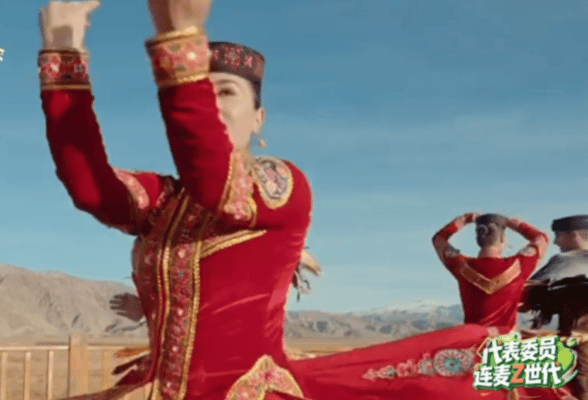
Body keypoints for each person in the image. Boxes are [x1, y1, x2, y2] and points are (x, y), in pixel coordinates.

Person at [38, 1, 566, 399]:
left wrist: (180, 39)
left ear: (259, 119)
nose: (209, 99)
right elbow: (89, 185)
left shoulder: (281, 185)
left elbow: (216, 182)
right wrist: (64, 49)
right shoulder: (165, 201)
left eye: (226, 91)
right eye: (202, 88)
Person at [432, 212, 548, 333]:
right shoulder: (520, 264)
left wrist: (467, 218)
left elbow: (439, 239)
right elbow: (541, 238)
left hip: (474, 339)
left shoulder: (461, 265)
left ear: (478, 239)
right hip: (505, 340)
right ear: (502, 239)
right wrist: (512, 223)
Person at [522, 215, 588, 400]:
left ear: (574, 235)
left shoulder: (566, 260)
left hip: (579, 342)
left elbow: (525, 293)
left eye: (559, 235)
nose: (556, 242)